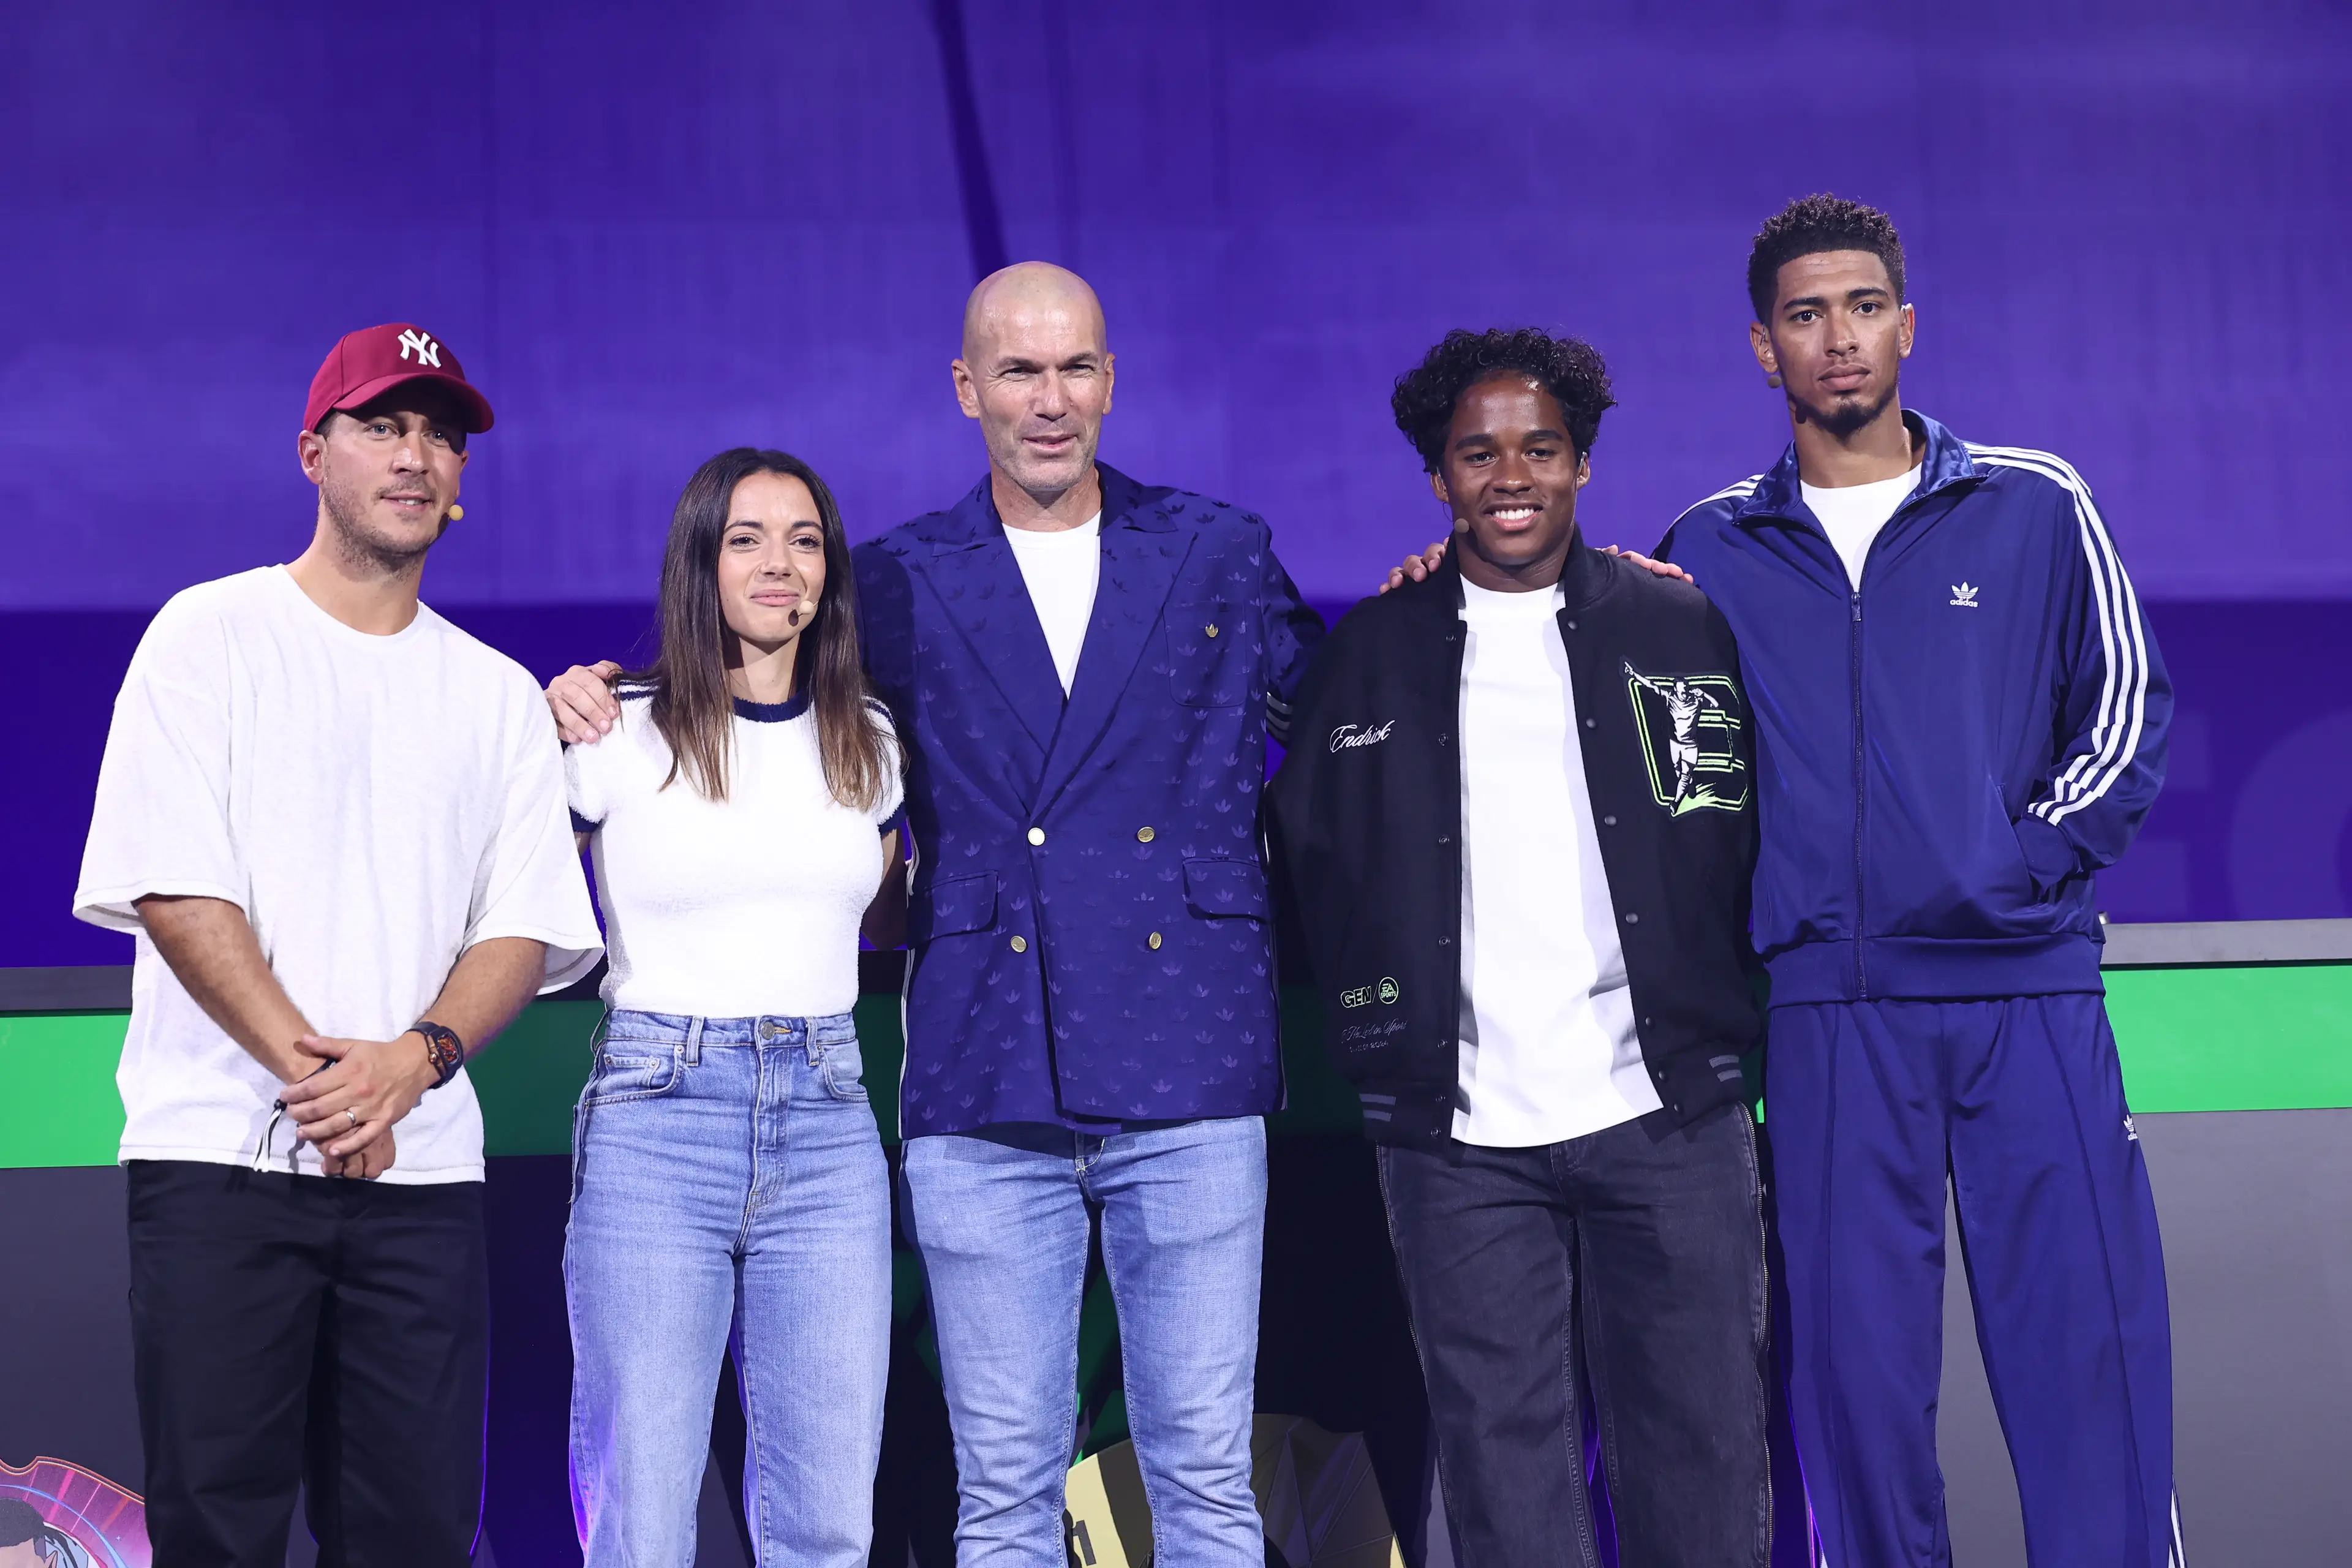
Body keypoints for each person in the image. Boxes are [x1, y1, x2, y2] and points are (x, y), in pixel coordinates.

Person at [1392, 197, 2180, 1567]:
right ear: (1764, 349)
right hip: (1821, 1019)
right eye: (1806, 315)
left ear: (1908, 325)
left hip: (2025, 995)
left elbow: (2125, 708)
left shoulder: (2035, 503)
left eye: (1865, 306)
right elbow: (1607, 693)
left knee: (2086, 1368)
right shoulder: (1706, 553)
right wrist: (1439, 577)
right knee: (1856, 1399)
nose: (1840, 338)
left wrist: (2018, 868)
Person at [552, 261, 1324, 1566]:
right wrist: (597, 690)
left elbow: (1343, 723)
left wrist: (1463, 593)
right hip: (982, 1067)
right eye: (1018, 370)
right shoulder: (901, 582)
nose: (1050, 398)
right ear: (967, 388)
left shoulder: (1216, 548)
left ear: (1112, 380)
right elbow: (768, 724)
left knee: (1202, 1469)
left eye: (1076, 366)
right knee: (1001, 1488)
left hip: (1187, 1056)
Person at [72, 323, 603, 1567]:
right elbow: (177, 888)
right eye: (382, 423)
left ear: (462, 480)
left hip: (416, 1183)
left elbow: (522, 926)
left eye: (440, 433)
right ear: (314, 451)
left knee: (414, 1536)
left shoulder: (490, 694)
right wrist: (328, 1081)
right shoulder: (207, 637)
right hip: (220, 1162)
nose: (416, 454)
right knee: (217, 1527)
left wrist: (405, 1066)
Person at [1272, 329, 1770, 1567]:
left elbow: (1747, 829)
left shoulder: (1680, 623)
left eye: (1540, 447)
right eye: (1477, 451)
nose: (1511, 475)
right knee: (1504, 1480)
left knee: (1704, 1456)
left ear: (1583, 463)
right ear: (1437, 474)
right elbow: (1310, 865)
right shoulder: (1367, 654)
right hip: (1458, 1144)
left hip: (1669, 1119)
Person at [558, 447, 906, 1566]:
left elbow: (896, 916)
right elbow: (502, 903)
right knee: (646, 1510)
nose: (780, 563)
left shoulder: (873, 741)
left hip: (829, 1115)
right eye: (747, 538)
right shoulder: (614, 728)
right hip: (660, 1114)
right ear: (699, 562)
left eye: (805, 540)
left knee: (825, 1516)